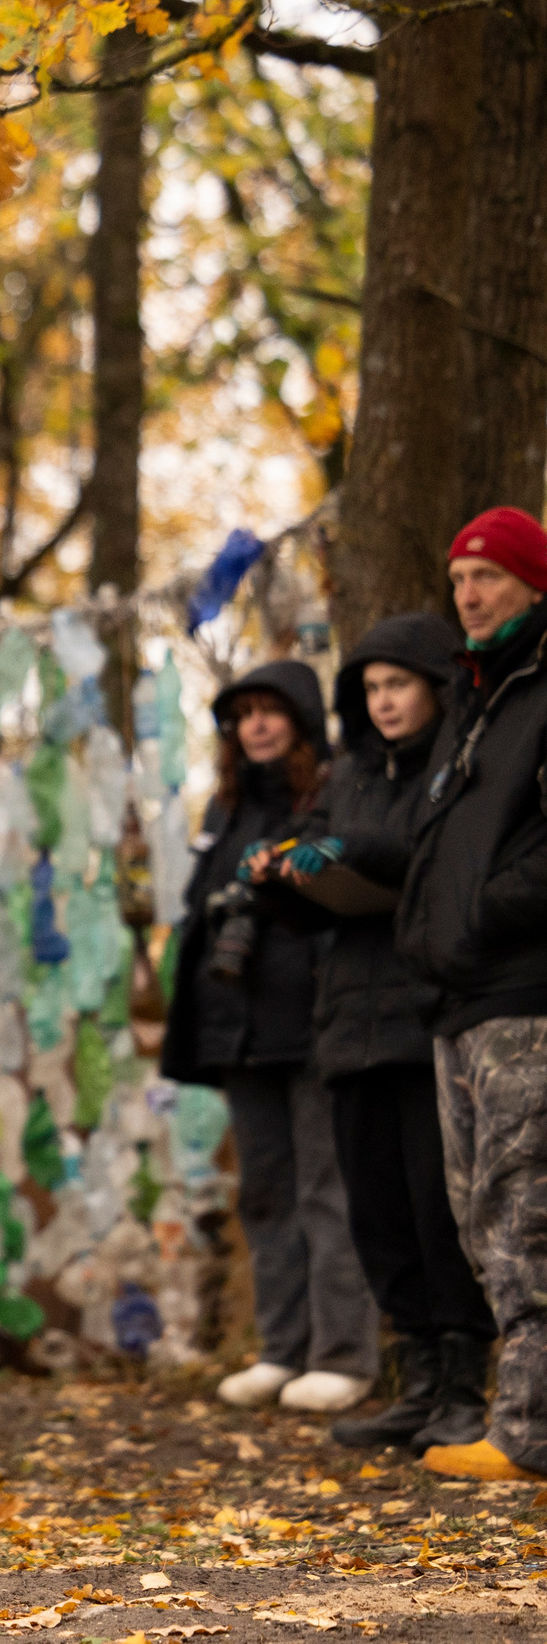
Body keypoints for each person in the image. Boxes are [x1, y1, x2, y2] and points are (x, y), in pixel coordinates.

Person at [251, 614, 495, 1450]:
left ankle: (465, 1383)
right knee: (378, 1215)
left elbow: (423, 856)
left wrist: (350, 847)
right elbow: (322, 870)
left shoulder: (456, 767)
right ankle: (418, 1379)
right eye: (371, 689)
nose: (384, 702)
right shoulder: (348, 773)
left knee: (439, 1211)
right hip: (346, 1027)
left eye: (398, 684)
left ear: (434, 685)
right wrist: (279, 874)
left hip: (425, 1018)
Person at [160, 660, 380, 1412]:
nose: (255, 724)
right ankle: (282, 1350)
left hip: (315, 1022)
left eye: (271, 711)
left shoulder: (331, 792)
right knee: (264, 1193)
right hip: (239, 1028)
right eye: (243, 713)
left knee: (327, 1189)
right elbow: (201, 914)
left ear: (302, 721)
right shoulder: (224, 811)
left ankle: (344, 1354)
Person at [394, 506, 547, 1481]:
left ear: (532, 583)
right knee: (477, 1215)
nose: (468, 594)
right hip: (457, 996)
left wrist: (480, 914)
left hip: (525, 993)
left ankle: (530, 1431)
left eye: (487, 576)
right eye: (457, 579)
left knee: (526, 1206)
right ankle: (520, 1410)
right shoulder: (475, 702)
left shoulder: (540, 688)